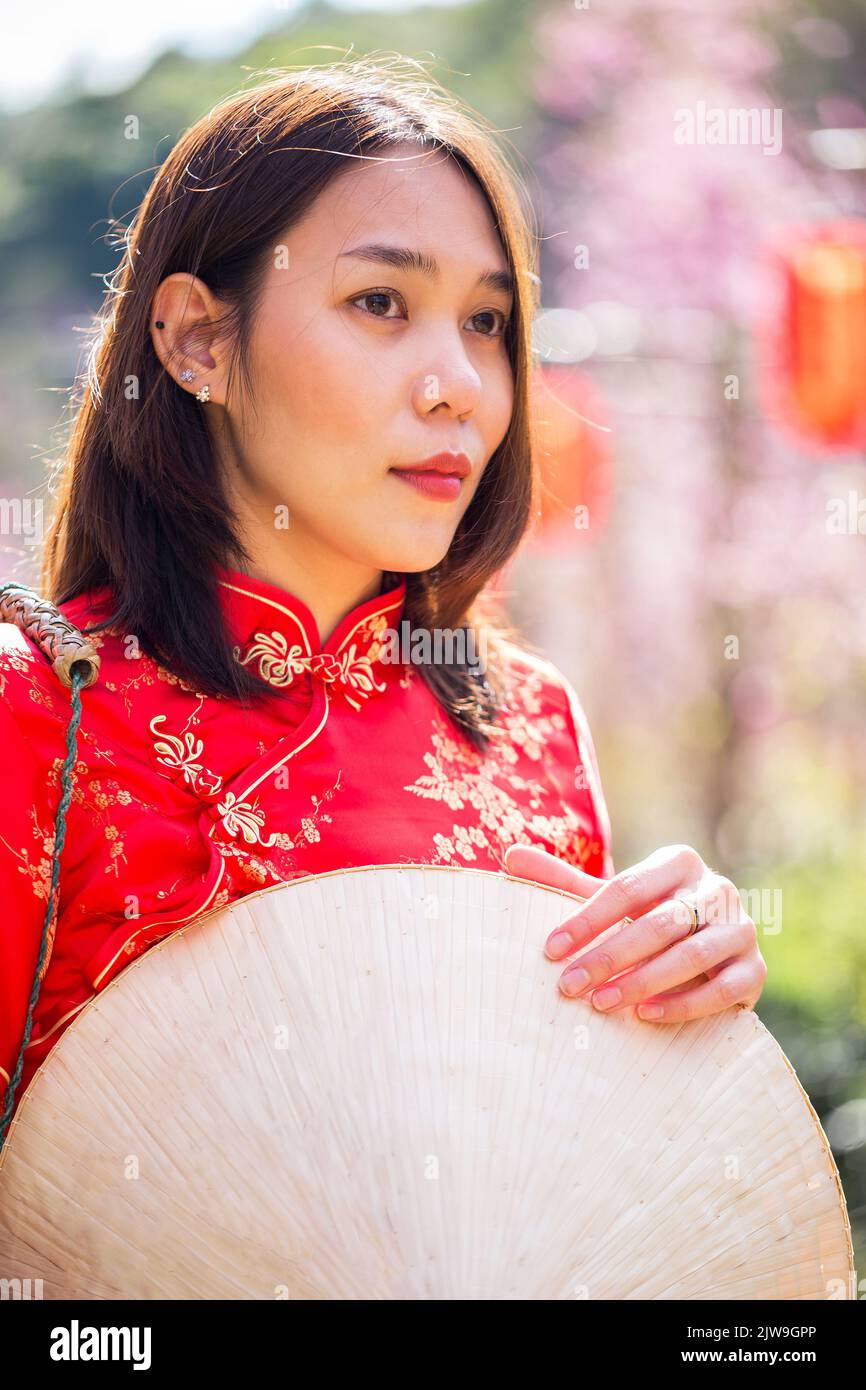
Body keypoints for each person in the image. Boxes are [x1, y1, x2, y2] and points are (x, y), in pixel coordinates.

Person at [0, 57, 766, 1137]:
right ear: (194, 340)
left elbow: (568, 1180)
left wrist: (686, 1009)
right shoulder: (37, 717)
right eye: (379, 302)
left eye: (487, 323)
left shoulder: (530, 725)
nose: (455, 381)